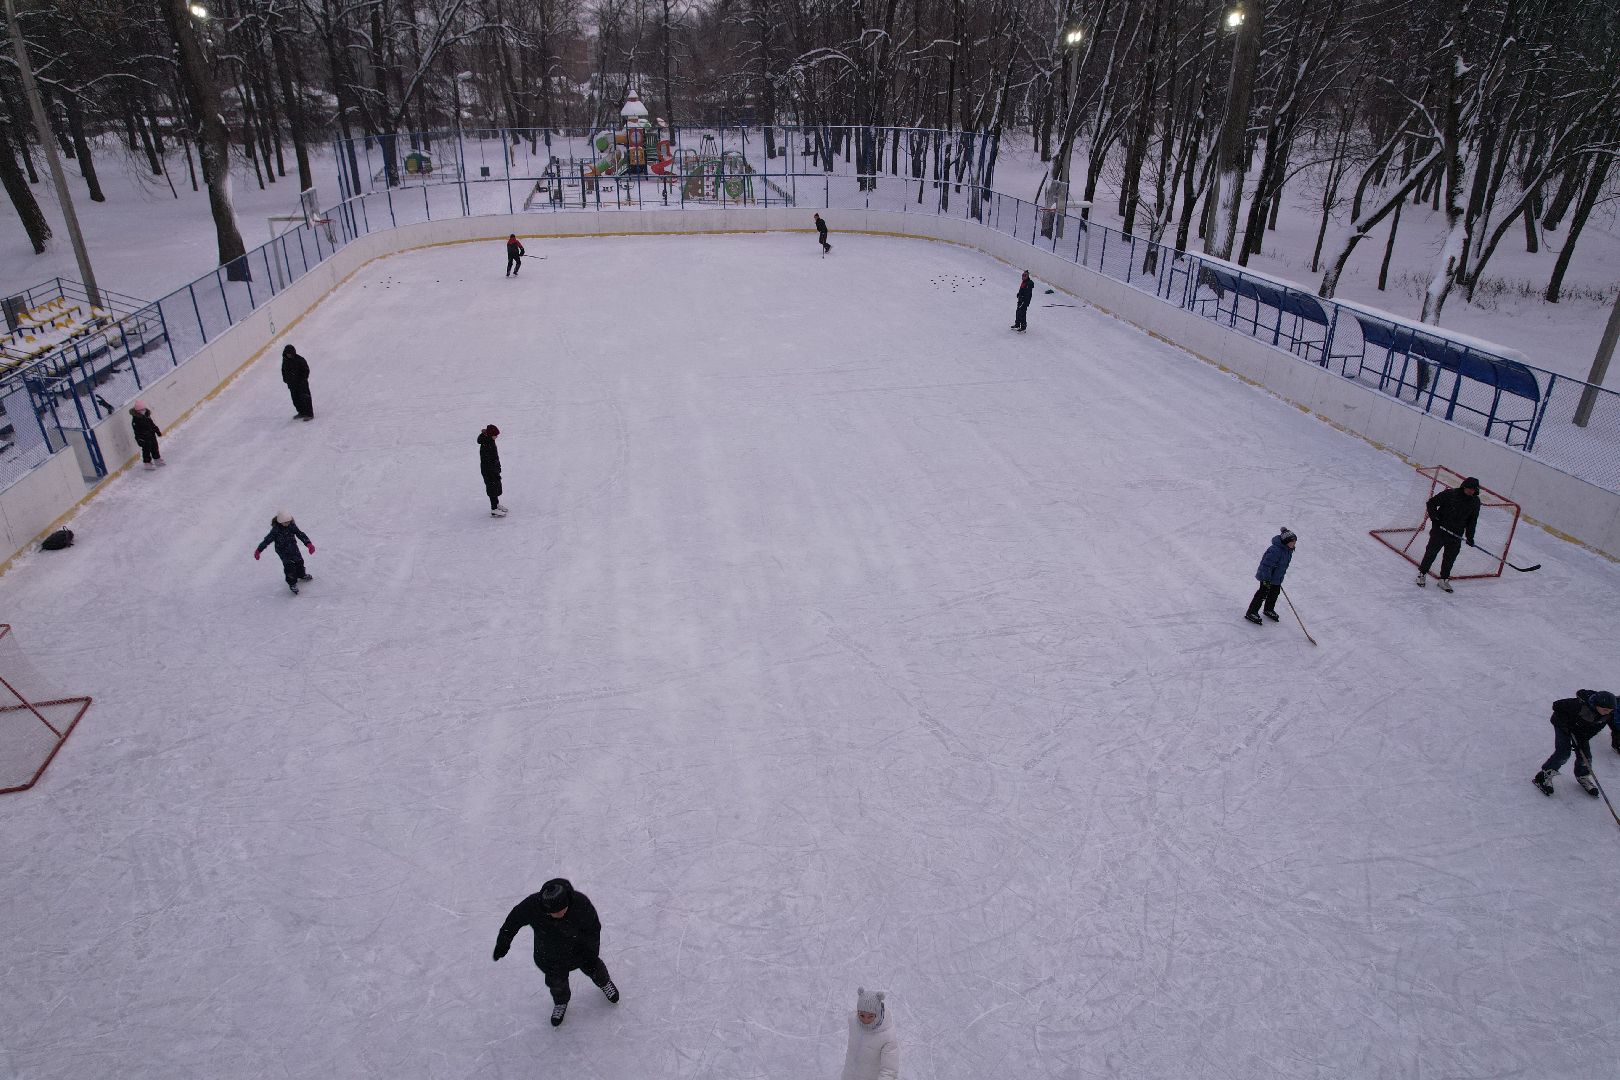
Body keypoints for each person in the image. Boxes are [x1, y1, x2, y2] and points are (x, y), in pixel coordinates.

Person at [493, 878, 619, 1027]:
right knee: (557, 985)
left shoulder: (580, 903)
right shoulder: (533, 905)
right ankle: (561, 1003)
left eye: (561, 910)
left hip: (580, 950)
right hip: (550, 956)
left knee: (596, 969)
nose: (558, 914)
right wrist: (503, 943)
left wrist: (590, 951)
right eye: (553, 912)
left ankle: (605, 984)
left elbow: (593, 929)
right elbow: (513, 921)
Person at [1533, 689, 1617, 796]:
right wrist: (1565, 724)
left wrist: (1582, 739)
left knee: (1586, 756)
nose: (1608, 712)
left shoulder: (1607, 714)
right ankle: (1543, 776)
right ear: (1596, 705)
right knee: (1563, 753)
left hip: (1580, 731)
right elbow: (1557, 706)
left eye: (1610, 710)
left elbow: (1595, 729)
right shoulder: (1578, 705)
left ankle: (1582, 775)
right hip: (1563, 727)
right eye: (1605, 709)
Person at [1415, 476, 1480, 592]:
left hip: (1456, 535)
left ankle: (1443, 579)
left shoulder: (1475, 502)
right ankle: (1422, 573)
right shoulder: (1450, 494)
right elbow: (1431, 503)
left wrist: (1470, 537)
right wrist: (1435, 519)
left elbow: (1472, 520)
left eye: (1473, 489)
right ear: (1464, 486)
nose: (1471, 490)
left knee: (1450, 558)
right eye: (1469, 488)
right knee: (1431, 553)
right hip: (1440, 530)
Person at [840, 987, 899, 1080]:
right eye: (862, 1015)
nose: (865, 1020)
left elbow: (889, 1071)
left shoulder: (887, 1035)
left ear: (878, 1013)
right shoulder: (853, 1022)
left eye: (870, 1016)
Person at [254, 511, 315, 595]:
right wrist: (259, 550)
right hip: (282, 551)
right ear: (280, 522)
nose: (287, 524)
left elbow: (300, 534)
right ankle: (292, 583)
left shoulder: (291, 526)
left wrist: (308, 544)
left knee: (299, 561)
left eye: (288, 522)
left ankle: (301, 574)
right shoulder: (275, 530)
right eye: (285, 522)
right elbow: (267, 540)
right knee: (289, 566)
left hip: (293, 548)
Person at [1244, 528, 1296, 625]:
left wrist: (1278, 578)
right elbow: (1266, 565)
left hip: (1276, 578)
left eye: (1295, 542)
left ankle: (1268, 609)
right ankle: (1251, 612)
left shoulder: (1288, 550)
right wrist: (1266, 579)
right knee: (1263, 593)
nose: (1294, 544)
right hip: (1266, 576)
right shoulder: (1275, 550)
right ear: (1286, 542)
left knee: (1275, 592)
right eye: (1293, 542)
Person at [479, 424, 507, 517]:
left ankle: (496, 505)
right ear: (490, 435)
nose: (497, 437)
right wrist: (494, 471)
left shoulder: (490, 441)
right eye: (495, 435)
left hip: (493, 469)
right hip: (489, 471)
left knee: (496, 487)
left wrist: (498, 467)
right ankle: (494, 509)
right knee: (492, 489)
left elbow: (494, 457)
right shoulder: (487, 444)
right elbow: (489, 461)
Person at [281, 344, 313, 421]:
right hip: (292, 384)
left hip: (301, 384)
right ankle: (301, 412)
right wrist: (286, 379)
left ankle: (309, 414)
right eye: (287, 353)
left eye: (290, 353)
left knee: (305, 398)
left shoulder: (300, 360)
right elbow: (283, 371)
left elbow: (306, 370)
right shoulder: (285, 361)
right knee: (295, 399)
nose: (288, 355)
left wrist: (302, 379)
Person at [130, 400, 165, 470]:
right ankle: (147, 463)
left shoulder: (146, 415)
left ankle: (157, 459)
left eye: (144, 409)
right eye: (142, 410)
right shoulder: (136, 420)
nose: (144, 410)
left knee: (155, 447)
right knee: (146, 450)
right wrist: (139, 439)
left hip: (151, 435)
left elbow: (152, 424)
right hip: (144, 438)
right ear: (138, 411)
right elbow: (136, 432)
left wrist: (157, 430)